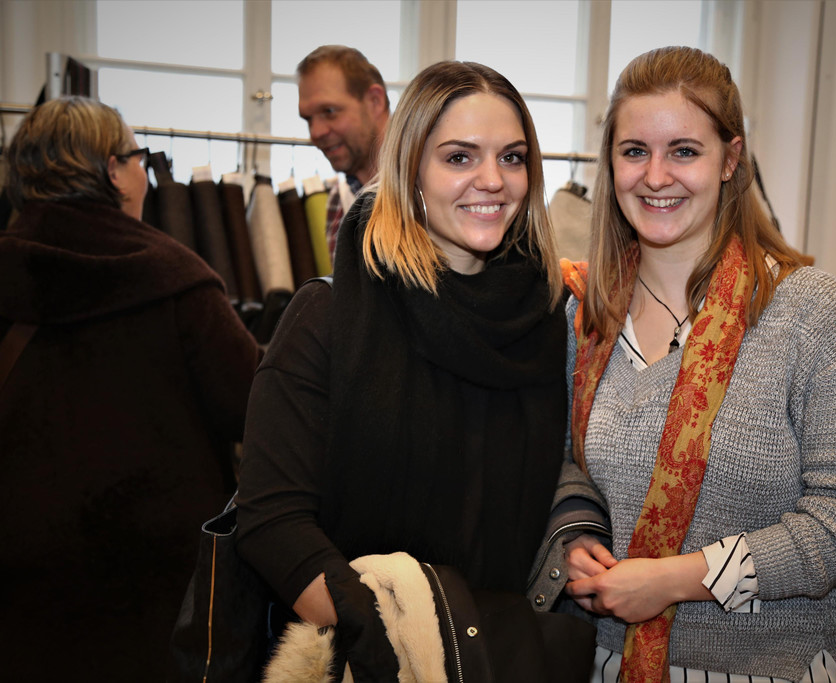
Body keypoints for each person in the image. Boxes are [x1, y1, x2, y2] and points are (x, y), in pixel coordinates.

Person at [236, 60, 590, 681]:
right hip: (369, 657)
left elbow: (564, 465)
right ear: (411, 170)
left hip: (505, 653)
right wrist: (396, 642)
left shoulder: (549, 315)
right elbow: (272, 522)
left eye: (511, 157)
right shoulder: (329, 315)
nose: (492, 180)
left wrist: (577, 532)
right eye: (459, 157)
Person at [559, 47, 836, 682]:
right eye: (634, 151)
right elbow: (561, 470)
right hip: (605, 663)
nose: (655, 176)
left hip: (771, 667)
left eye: (684, 151)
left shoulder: (807, 312)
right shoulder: (586, 314)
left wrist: (677, 579)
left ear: (729, 159)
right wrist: (572, 538)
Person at [0, 96, 261, 680]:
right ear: (113, 170)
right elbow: (252, 408)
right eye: (139, 160)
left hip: (15, 578)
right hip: (157, 588)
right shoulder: (175, 278)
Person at [297, 45, 391, 261]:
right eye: (308, 119)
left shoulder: (432, 187)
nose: (316, 132)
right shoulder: (339, 202)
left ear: (375, 101)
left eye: (329, 111)